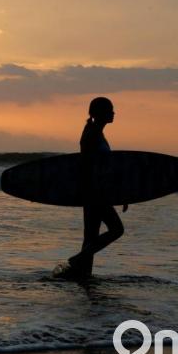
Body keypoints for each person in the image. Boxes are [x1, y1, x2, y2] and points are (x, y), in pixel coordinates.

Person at [54, 97, 125, 280]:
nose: (113, 113)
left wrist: (119, 192)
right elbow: (88, 167)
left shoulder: (96, 132)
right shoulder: (92, 134)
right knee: (117, 229)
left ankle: (82, 276)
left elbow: (103, 168)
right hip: (95, 193)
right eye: (110, 109)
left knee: (91, 237)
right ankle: (78, 260)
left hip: (93, 192)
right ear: (99, 113)